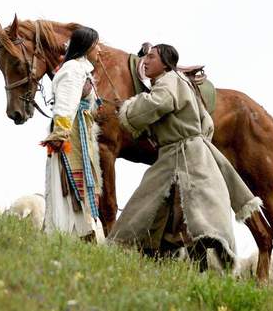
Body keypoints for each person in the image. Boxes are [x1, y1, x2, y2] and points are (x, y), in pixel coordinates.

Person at [107, 44, 262, 272]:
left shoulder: (169, 80)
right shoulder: (178, 82)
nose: (146, 61)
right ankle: (162, 258)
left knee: (171, 210)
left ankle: (153, 255)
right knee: (168, 209)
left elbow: (159, 103)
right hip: (185, 153)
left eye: (152, 57)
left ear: (165, 64)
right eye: (146, 57)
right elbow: (207, 124)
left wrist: (129, 108)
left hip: (183, 155)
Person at [41, 26, 105, 243]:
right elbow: (66, 105)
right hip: (70, 135)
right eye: (96, 45)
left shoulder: (81, 69)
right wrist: (60, 134)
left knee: (82, 182)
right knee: (68, 184)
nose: (99, 50)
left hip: (80, 133)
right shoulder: (72, 69)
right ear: (86, 47)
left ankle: (82, 232)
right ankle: (68, 234)